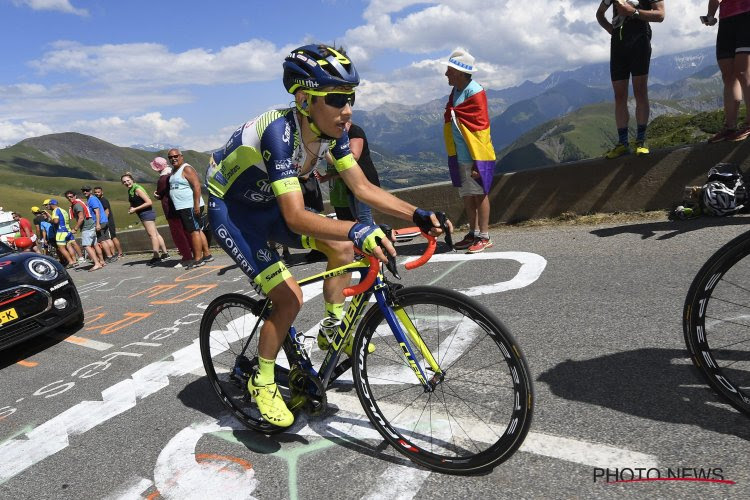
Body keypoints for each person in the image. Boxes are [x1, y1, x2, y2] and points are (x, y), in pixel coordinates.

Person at [205, 44, 450, 428]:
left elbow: (363, 187)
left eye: (350, 97)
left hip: (267, 204)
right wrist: (359, 227)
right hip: (232, 212)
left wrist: (416, 213)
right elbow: (296, 216)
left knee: (341, 245)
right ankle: (263, 380)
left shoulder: (332, 131)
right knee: (289, 297)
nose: (347, 108)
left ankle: (335, 329)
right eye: (336, 99)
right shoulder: (278, 133)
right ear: (304, 100)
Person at [443, 48, 496, 253]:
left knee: (479, 194)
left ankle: (484, 235)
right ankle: (472, 233)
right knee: (467, 194)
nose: (446, 74)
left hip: (475, 155)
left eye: (449, 70)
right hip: (461, 155)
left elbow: (480, 128)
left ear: (458, 71)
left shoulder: (474, 91)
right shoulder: (455, 91)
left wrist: (478, 160)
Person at [597, 0, 665, 158]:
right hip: (618, 44)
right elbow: (599, 14)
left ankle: (640, 141)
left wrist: (633, 12)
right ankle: (622, 143)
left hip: (639, 40)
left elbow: (660, 15)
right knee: (619, 95)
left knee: (640, 91)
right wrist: (611, 30)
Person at [703, 0, 750, 143]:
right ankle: (730, 127)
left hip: (746, 14)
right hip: (726, 20)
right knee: (728, 75)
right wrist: (710, 15)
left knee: (742, 71)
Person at [168, 149, 213, 268]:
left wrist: (196, 204)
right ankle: (207, 254)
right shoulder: (175, 170)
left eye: (176, 156)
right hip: (184, 206)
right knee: (197, 230)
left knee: (193, 232)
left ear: (181, 156)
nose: (173, 159)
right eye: (170, 157)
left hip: (189, 205)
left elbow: (197, 186)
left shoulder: (186, 168)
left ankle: (198, 259)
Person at [152, 156, 194, 268]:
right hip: (182, 205)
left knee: (178, 234)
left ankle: (187, 257)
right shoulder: (174, 173)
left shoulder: (162, 179)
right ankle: (195, 253)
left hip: (171, 209)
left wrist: (157, 195)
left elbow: (161, 194)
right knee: (187, 231)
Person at [121, 172, 169, 265]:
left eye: (128, 180)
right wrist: (132, 207)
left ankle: (156, 256)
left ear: (132, 180)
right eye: (124, 182)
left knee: (152, 235)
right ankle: (165, 253)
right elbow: (134, 202)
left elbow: (149, 202)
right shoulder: (130, 190)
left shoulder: (137, 189)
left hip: (147, 213)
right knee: (156, 233)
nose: (127, 183)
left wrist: (135, 209)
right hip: (143, 213)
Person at [344, 120, 380, 225]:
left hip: (364, 179)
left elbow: (355, 156)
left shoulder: (355, 131)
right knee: (358, 217)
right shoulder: (342, 135)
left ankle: (375, 239)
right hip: (351, 181)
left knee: (363, 216)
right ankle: (377, 237)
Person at [65, 190, 105, 271]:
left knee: (86, 245)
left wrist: (75, 228)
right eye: (68, 197)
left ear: (75, 196)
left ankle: (97, 264)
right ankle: (102, 261)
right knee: (95, 244)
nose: (70, 199)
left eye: (71, 196)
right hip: (91, 224)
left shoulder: (76, 205)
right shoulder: (79, 203)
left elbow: (81, 218)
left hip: (87, 227)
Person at [81, 186, 116, 263]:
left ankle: (109, 256)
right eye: (83, 191)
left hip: (100, 222)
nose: (85, 192)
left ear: (90, 191)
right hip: (104, 220)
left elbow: (97, 212)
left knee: (102, 241)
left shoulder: (92, 199)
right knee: (107, 239)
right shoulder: (93, 198)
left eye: (86, 190)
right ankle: (113, 255)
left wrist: (97, 224)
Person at [45, 198, 83, 267]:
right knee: (69, 246)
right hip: (67, 230)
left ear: (51, 204)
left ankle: (70, 261)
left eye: (49, 205)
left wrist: (51, 221)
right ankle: (74, 260)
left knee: (61, 248)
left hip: (60, 232)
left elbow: (56, 221)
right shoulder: (63, 210)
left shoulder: (55, 211)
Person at [93, 186, 124, 258]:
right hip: (106, 221)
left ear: (102, 192)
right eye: (95, 192)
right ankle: (115, 253)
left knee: (113, 237)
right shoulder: (99, 200)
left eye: (98, 192)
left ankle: (120, 253)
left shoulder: (103, 200)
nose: (97, 193)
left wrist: (104, 222)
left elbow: (106, 211)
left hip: (108, 221)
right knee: (111, 238)